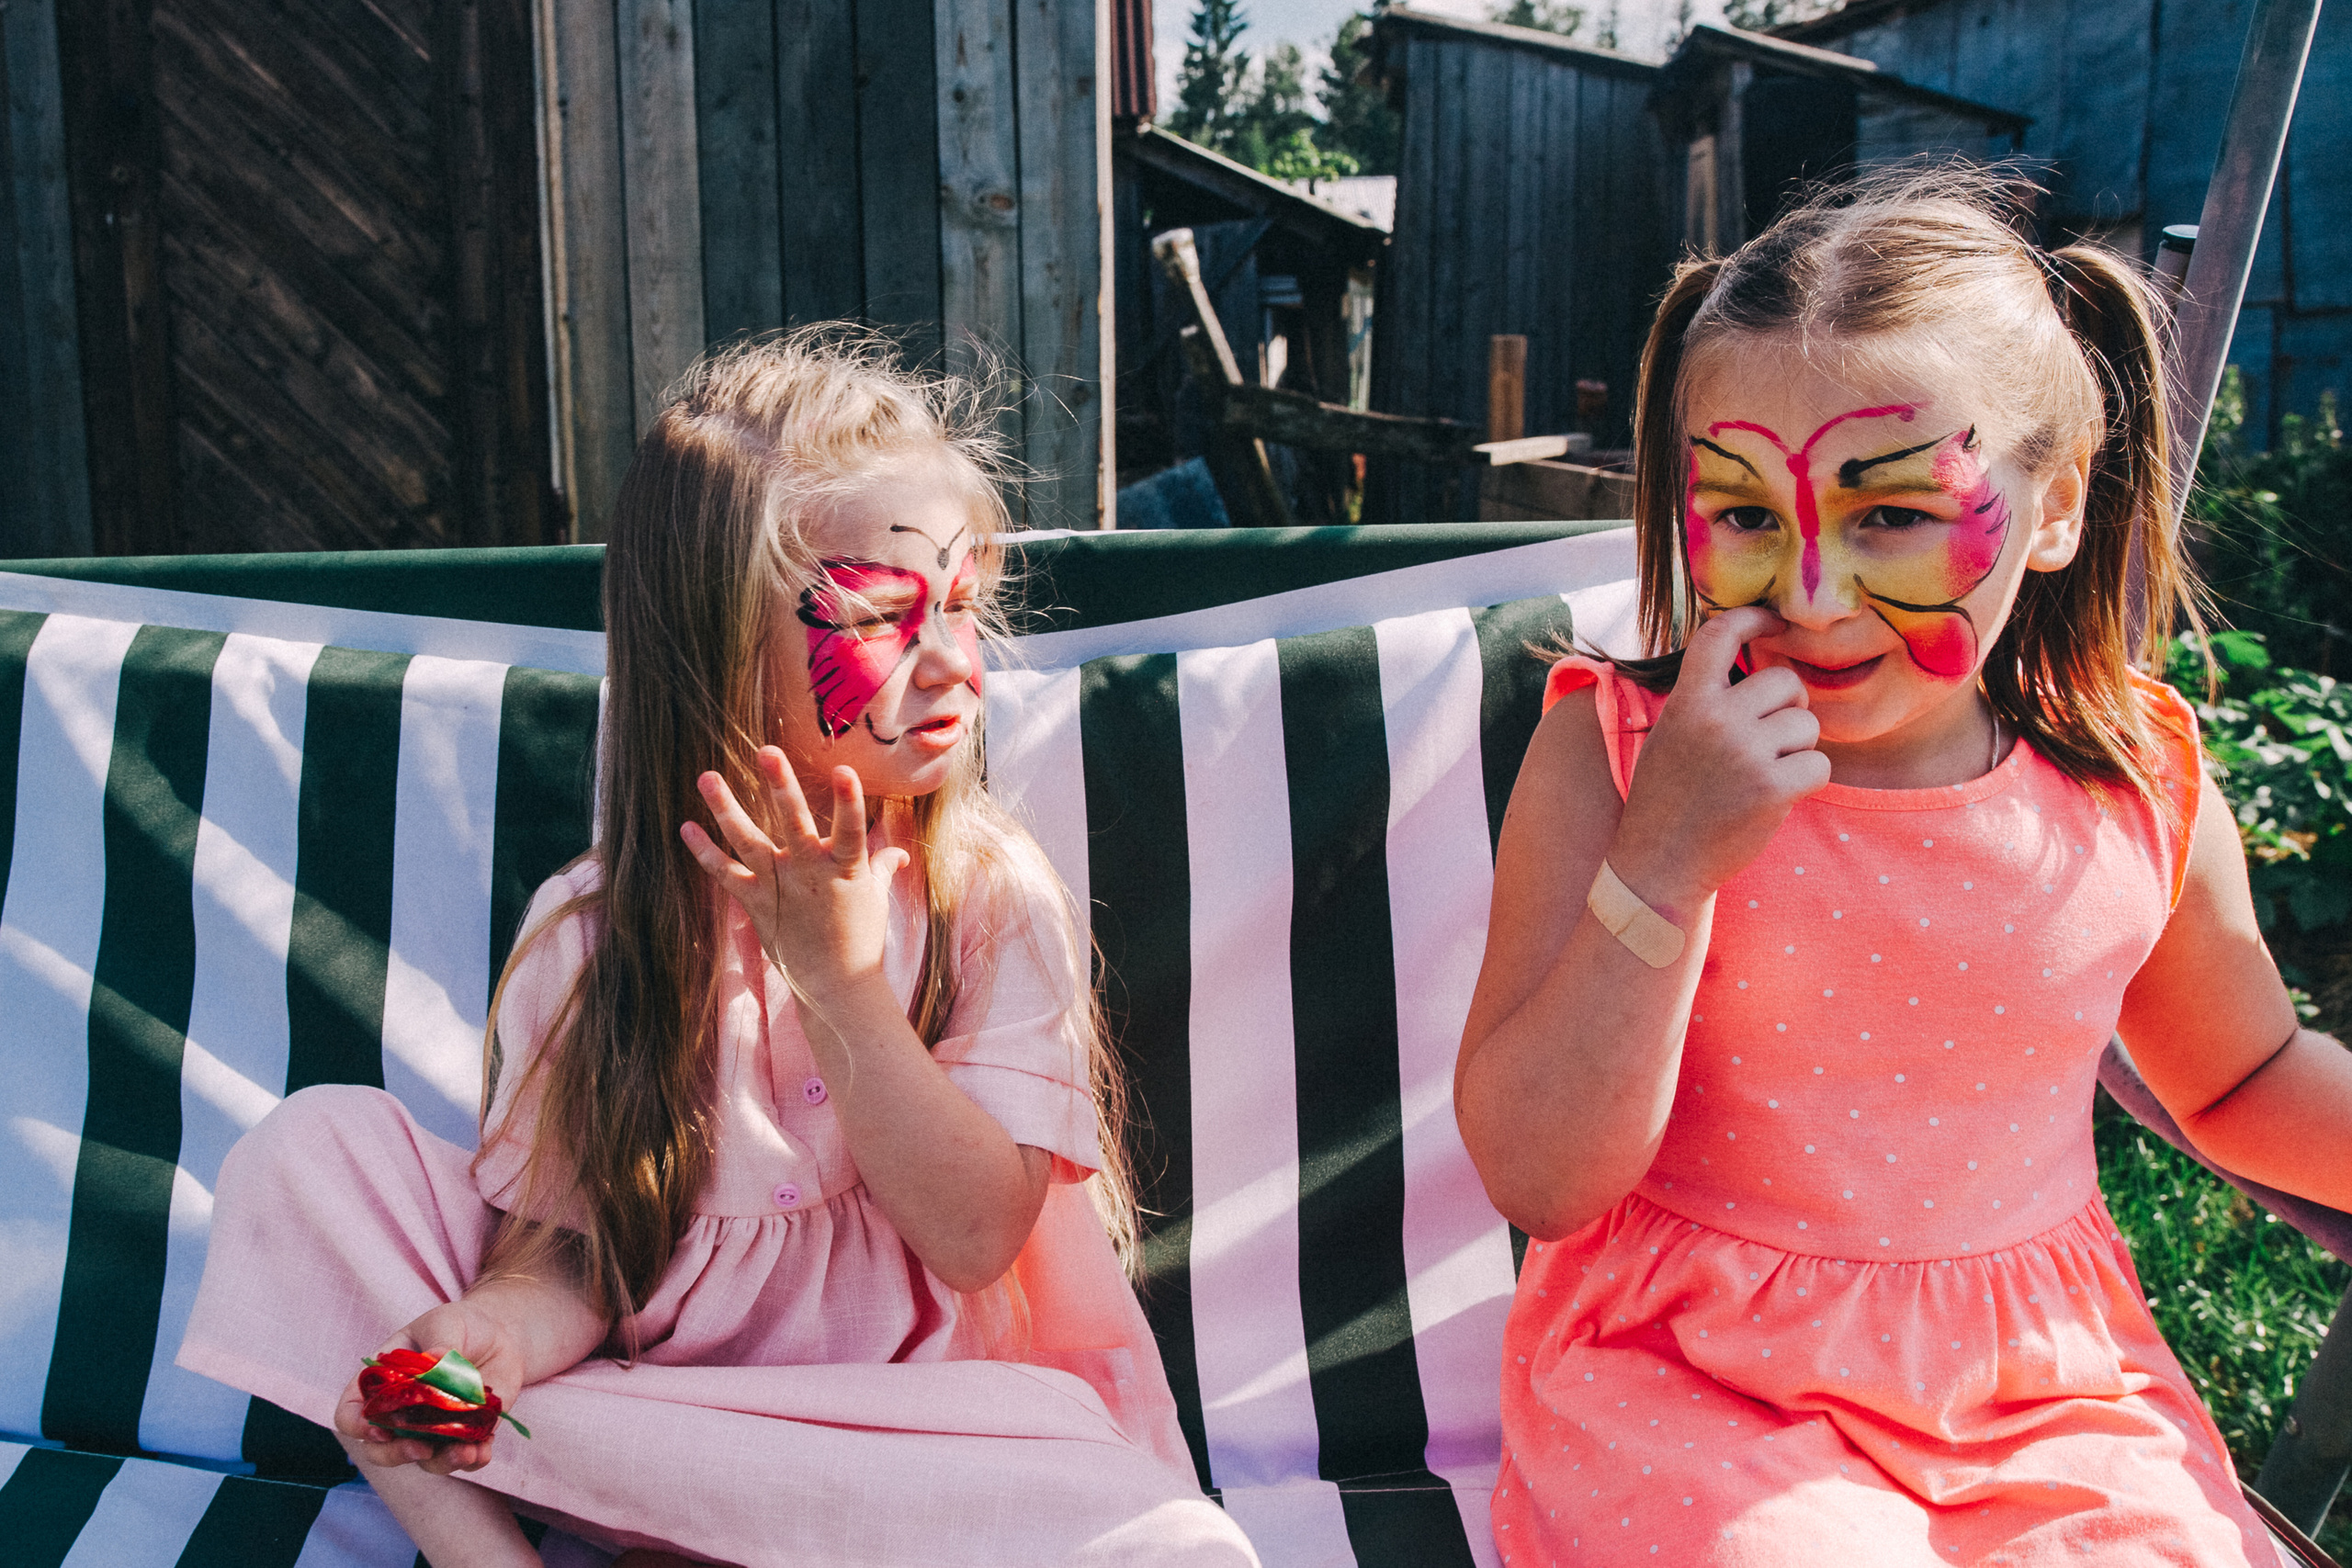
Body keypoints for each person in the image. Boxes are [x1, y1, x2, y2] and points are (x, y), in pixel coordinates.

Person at [179, 332, 1259, 1568]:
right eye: (882, 618)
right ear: (716, 659)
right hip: (666, 1438)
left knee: (1176, 1546)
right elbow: (580, 1260)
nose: (955, 661)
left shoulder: (984, 898)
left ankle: (494, 1468)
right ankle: (479, 1520)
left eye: (960, 604)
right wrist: (500, 1335)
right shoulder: (601, 933)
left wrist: (846, 991)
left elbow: (974, 1240)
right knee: (314, 1155)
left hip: (932, 1457)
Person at [1455, 167, 2352, 1566]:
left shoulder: (2130, 773)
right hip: (1695, 1386)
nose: (1811, 593)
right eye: (1747, 515)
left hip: (2040, 1388)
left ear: (2051, 510)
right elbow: (1539, 1177)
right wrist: (1670, 866)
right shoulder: (1621, 755)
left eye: (1890, 516)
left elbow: (2240, 1082)